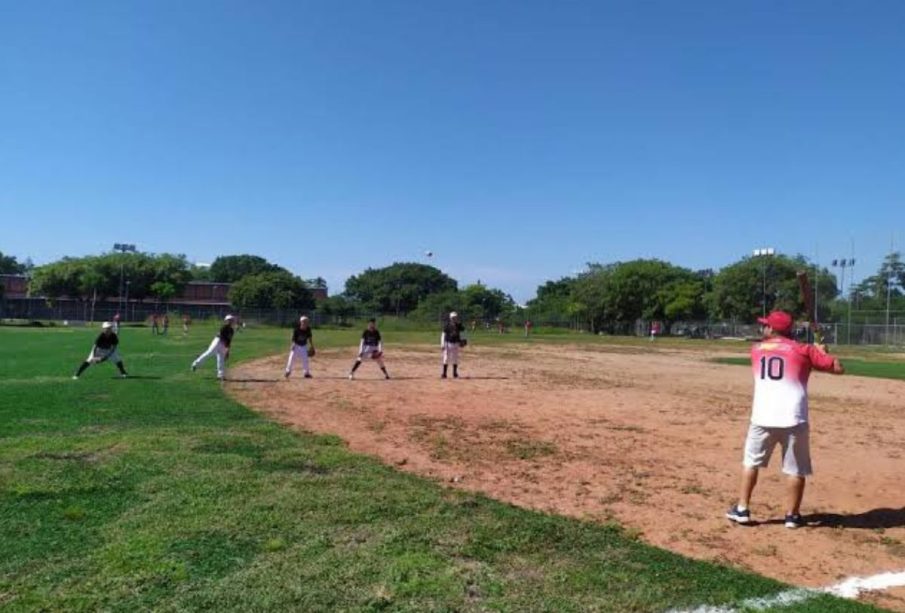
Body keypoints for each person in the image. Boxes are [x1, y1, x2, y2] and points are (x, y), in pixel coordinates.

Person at [725, 310, 844, 529]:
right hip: (793, 418)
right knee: (795, 469)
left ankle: (742, 508)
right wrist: (822, 353)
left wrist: (814, 353)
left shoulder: (756, 350)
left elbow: (779, 351)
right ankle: (792, 516)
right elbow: (837, 368)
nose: (763, 329)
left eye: (766, 326)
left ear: (771, 329)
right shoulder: (803, 350)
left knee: (751, 462)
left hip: (762, 417)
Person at [191, 315, 237, 380]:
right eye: (229, 320)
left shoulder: (231, 330)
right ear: (226, 320)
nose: (231, 321)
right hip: (218, 341)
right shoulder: (224, 327)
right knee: (209, 353)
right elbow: (222, 337)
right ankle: (195, 364)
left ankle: (220, 375)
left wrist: (227, 350)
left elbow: (229, 341)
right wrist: (225, 347)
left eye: (232, 320)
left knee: (221, 359)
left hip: (224, 344)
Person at [441, 311, 466, 379]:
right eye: (453, 317)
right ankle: (444, 374)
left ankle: (455, 373)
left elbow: (463, 332)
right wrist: (442, 344)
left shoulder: (459, 325)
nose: (454, 318)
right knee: (446, 358)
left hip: (456, 343)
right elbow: (443, 335)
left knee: (455, 358)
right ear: (450, 318)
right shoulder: (447, 325)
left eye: (455, 317)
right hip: (447, 343)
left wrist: (464, 340)